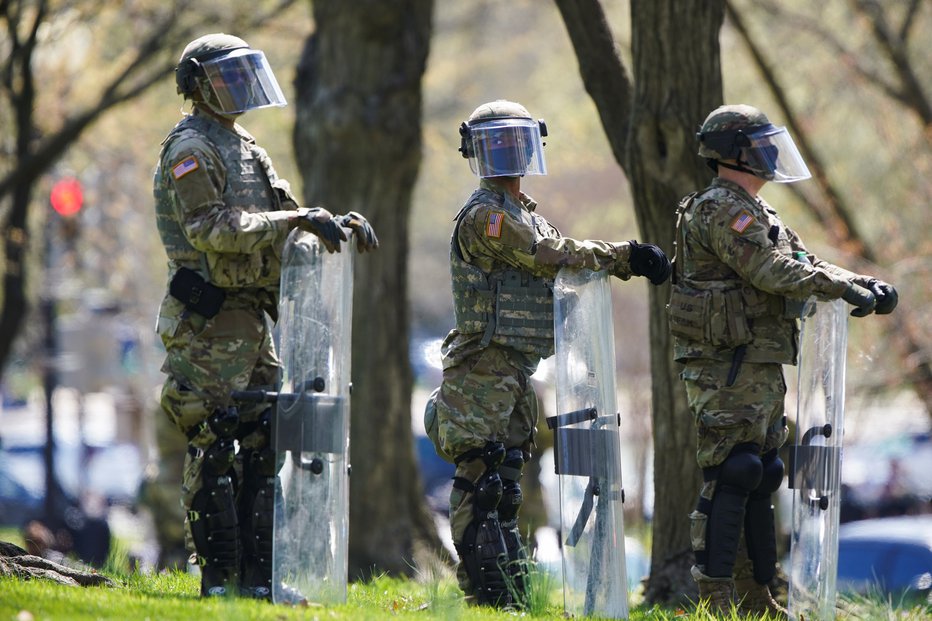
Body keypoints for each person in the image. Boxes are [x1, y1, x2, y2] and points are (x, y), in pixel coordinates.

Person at [152, 33, 378, 599]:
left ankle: (260, 578)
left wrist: (334, 223)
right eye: (226, 79)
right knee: (215, 437)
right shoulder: (190, 149)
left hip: (253, 318)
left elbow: (281, 219)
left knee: (263, 440)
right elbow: (215, 230)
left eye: (242, 76)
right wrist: (299, 218)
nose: (240, 90)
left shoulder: (246, 146)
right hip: (208, 321)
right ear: (198, 87)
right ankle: (218, 580)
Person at [424, 99, 671, 608]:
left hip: (514, 368)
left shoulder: (522, 213)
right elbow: (551, 258)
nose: (509, 155)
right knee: (483, 480)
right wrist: (625, 256)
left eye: (516, 142)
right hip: (481, 369)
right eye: (496, 145)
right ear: (477, 153)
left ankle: (509, 595)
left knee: (508, 484)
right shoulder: (486, 217)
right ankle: (484, 596)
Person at [668, 104, 898, 616]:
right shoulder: (719, 209)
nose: (772, 155)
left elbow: (801, 262)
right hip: (723, 364)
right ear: (737, 153)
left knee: (763, 472)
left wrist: (859, 284)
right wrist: (843, 287)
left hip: (759, 361)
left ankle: (757, 595)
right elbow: (769, 271)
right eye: (762, 145)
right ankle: (717, 597)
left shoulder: (756, 211)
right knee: (734, 471)